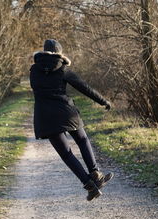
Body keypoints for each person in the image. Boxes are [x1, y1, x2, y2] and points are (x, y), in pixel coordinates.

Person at [29, 39, 113, 201]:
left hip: (45, 117)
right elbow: (84, 87)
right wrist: (103, 101)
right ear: (60, 53)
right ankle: (95, 172)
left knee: (66, 154)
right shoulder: (63, 69)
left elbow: (35, 87)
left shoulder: (34, 70)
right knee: (82, 139)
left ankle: (90, 186)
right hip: (67, 112)